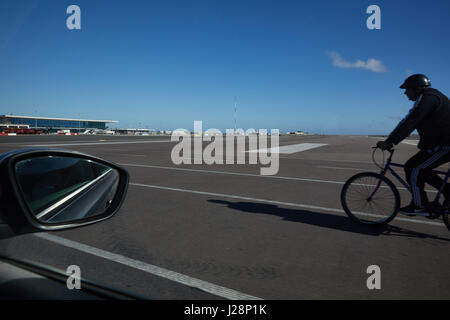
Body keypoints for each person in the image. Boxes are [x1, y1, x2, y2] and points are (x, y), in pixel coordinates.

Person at [377, 74, 450, 217]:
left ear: (417, 88)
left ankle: (420, 206)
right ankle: (447, 192)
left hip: (446, 145)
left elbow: (411, 120)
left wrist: (391, 141)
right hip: (441, 143)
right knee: (420, 168)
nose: (405, 93)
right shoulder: (432, 96)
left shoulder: (428, 97)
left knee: (413, 168)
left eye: (407, 89)